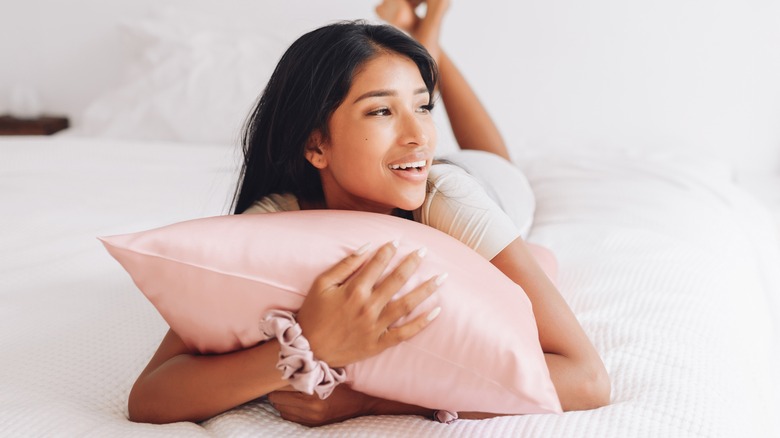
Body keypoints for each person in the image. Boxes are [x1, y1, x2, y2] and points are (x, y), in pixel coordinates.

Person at [128, 0, 610, 426]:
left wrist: (369, 402)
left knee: (499, 164)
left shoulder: (449, 198)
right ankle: (421, 39)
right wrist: (306, 348)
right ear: (315, 144)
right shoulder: (272, 223)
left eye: (424, 106)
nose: (420, 132)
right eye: (381, 111)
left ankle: (431, 34)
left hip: (484, 187)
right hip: (410, 173)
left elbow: (586, 380)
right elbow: (149, 399)